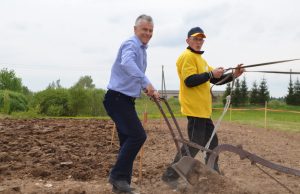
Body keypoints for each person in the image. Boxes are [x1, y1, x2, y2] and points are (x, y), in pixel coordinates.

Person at [161, 26, 244, 184]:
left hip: (203, 111)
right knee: (194, 144)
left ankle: (213, 173)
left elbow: (214, 80)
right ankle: (170, 175)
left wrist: (234, 75)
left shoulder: (201, 60)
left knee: (213, 143)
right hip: (194, 109)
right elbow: (190, 80)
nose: (199, 42)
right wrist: (211, 74)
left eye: (201, 39)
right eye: (195, 39)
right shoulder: (187, 56)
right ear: (188, 40)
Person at [103, 14, 159, 193]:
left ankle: (121, 185)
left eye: (150, 30)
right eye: (144, 29)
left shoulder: (142, 49)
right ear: (135, 29)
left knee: (127, 139)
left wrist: (148, 90)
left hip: (124, 100)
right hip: (117, 99)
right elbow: (127, 63)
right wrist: (146, 83)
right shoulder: (131, 44)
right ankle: (117, 176)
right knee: (138, 136)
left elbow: (131, 74)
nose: (148, 33)